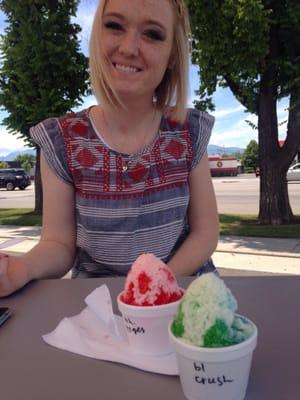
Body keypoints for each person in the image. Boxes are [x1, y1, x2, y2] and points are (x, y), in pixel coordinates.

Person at [0, 0, 219, 297]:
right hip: (97, 303)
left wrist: (157, 284)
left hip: (182, 292)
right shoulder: (61, 141)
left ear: (172, 56)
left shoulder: (189, 131)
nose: (129, 48)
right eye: (114, 26)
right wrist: (21, 268)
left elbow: (205, 232)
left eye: (153, 34)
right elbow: (59, 244)